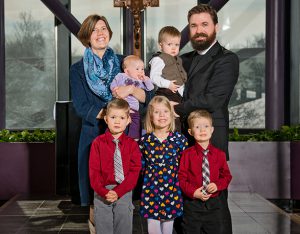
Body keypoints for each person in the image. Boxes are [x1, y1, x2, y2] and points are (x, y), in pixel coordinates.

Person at [69, 14, 152, 231]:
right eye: (94, 30)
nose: (100, 33)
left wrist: (133, 89)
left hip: (124, 137)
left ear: (109, 33)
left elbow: (149, 96)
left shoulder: (125, 62)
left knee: (123, 192)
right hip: (93, 135)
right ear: (87, 36)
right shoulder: (77, 70)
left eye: (103, 28)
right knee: (96, 193)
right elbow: (81, 106)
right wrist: (112, 116)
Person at [173, 4, 239, 233]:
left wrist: (178, 108)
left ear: (215, 27)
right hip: (183, 138)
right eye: (193, 25)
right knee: (185, 200)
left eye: (204, 24)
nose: (198, 30)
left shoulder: (227, 59)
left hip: (211, 139)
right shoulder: (182, 60)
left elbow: (213, 99)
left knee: (214, 204)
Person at [89, 98, 141, 234]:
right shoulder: (97, 143)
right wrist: (103, 191)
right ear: (106, 119)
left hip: (124, 190)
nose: (117, 121)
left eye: (122, 117)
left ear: (128, 120)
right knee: (103, 228)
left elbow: (135, 171)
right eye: (113, 117)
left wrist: (119, 191)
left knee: (123, 227)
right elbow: (93, 172)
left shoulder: (132, 145)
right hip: (102, 192)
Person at [139, 96, 188, 234]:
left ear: (171, 114)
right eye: (157, 112)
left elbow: (184, 165)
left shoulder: (179, 140)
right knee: (152, 226)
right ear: (150, 116)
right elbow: (141, 165)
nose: (162, 115)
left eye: (166, 111)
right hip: (151, 190)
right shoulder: (145, 141)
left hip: (172, 189)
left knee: (168, 227)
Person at [178, 109, 232, 234]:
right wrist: (193, 192)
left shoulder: (220, 155)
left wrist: (218, 185)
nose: (202, 130)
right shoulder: (187, 154)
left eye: (206, 126)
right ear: (191, 132)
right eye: (197, 127)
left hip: (214, 205)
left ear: (212, 129)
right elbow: (181, 178)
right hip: (192, 205)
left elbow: (227, 176)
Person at [149, 26, 187, 131]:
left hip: (177, 95)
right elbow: (154, 77)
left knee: (178, 120)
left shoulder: (178, 60)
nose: (174, 48)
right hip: (166, 93)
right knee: (169, 121)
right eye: (169, 44)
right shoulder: (159, 59)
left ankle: (178, 142)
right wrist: (167, 84)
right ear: (161, 45)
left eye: (176, 45)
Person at [111, 55, 154, 139]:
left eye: (142, 69)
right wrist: (114, 90)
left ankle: (134, 138)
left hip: (134, 109)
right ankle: (116, 138)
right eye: (137, 69)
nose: (141, 71)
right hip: (121, 107)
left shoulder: (141, 81)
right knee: (118, 122)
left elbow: (150, 88)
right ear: (127, 71)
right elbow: (114, 83)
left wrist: (146, 80)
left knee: (136, 122)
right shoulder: (121, 76)